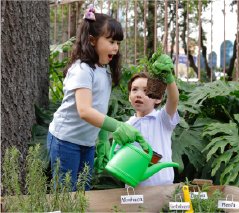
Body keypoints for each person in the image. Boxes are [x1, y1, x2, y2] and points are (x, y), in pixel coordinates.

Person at [47, 4, 146, 191]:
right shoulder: (82, 69)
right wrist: (118, 126)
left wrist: (102, 139)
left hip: (87, 142)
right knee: (66, 194)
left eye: (118, 43)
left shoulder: (104, 70)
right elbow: (84, 110)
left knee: (83, 194)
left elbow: (99, 107)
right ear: (92, 40)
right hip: (65, 141)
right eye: (111, 41)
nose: (116, 48)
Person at [126, 54, 180, 187]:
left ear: (158, 98)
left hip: (164, 187)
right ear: (129, 96)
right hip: (134, 190)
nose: (139, 94)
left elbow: (173, 99)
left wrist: (169, 79)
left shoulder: (163, 119)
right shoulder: (126, 126)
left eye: (146, 91)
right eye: (134, 90)